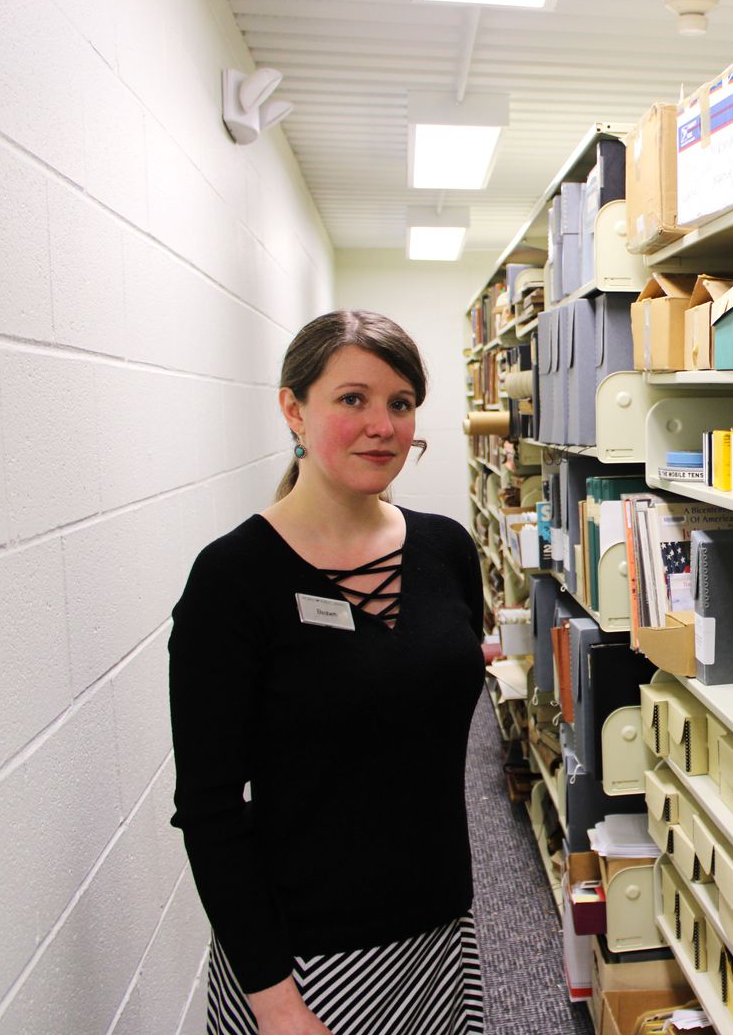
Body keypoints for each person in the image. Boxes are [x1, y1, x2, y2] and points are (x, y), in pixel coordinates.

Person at [168, 310, 486, 1035]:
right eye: (353, 399)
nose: (382, 424)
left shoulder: (447, 552)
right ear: (294, 409)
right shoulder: (234, 580)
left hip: (441, 929)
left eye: (400, 404)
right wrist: (275, 1002)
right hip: (307, 960)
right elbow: (210, 809)